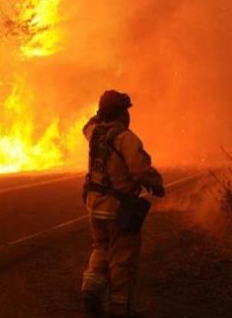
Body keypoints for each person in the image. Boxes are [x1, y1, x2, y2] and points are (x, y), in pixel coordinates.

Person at [81, 90, 165, 318]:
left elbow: (86, 125)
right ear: (120, 113)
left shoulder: (94, 132)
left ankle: (91, 290)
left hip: (94, 207)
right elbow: (140, 170)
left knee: (101, 248)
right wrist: (157, 184)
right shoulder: (126, 138)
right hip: (118, 211)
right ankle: (119, 311)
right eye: (125, 110)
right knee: (122, 259)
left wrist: (100, 115)